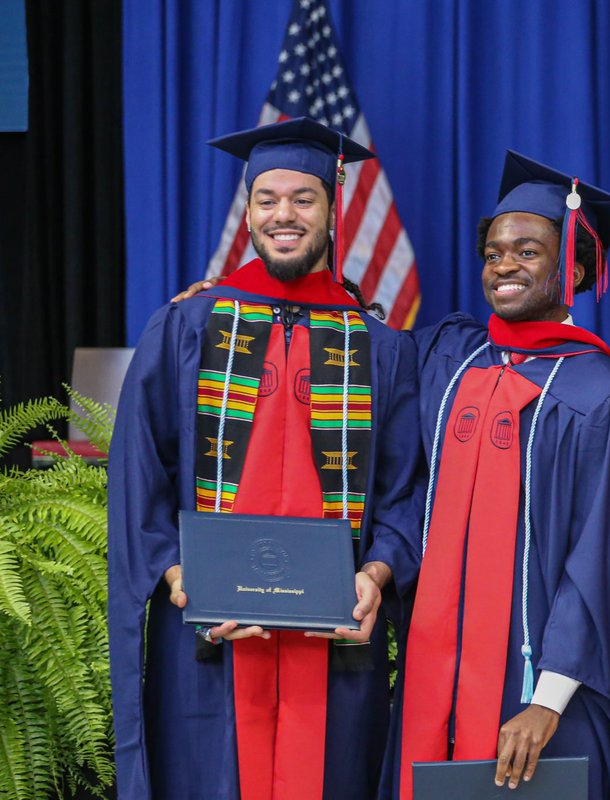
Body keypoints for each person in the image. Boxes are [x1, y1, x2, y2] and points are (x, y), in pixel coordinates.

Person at [108, 118, 423, 800]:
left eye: (304, 198)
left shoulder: (380, 347)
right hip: (207, 641)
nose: (285, 214)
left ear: (331, 210)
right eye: (267, 199)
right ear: (248, 212)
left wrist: (375, 575)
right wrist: (181, 577)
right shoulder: (188, 327)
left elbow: (407, 490)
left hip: (337, 646)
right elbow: (139, 476)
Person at [381, 151, 610, 800]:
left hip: (537, 682)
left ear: (573, 269)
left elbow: (601, 555)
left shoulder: (602, 394)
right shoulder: (450, 354)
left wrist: (549, 698)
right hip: (435, 668)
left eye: (528, 252)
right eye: (494, 253)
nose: (504, 265)